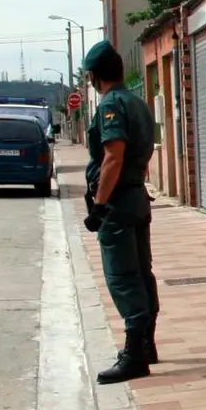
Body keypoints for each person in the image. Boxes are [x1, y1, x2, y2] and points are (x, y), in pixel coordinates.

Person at [81, 41, 161, 383]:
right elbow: (144, 153)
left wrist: (99, 205)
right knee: (142, 272)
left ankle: (133, 356)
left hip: (118, 202)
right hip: (137, 198)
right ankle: (146, 344)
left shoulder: (112, 105)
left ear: (95, 76)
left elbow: (113, 156)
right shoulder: (137, 103)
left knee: (122, 277)